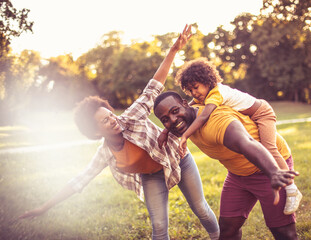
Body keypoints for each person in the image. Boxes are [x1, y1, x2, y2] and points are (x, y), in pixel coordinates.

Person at [18, 25, 220, 240]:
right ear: (96, 132)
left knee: (200, 208)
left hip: (178, 159)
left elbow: (154, 86)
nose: (114, 120)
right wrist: (44, 207)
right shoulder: (106, 152)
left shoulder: (130, 117)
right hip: (152, 177)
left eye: (111, 114)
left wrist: (173, 50)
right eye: (105, 121)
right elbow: (80, 180)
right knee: (159, 227)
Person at [158, 57, 301, 215]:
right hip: (249, 124)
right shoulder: (202, 97)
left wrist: (185, 136)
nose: (194, 93)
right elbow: (183, 107)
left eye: (196, 88)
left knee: (270, 148)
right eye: (190, 91)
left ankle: (292, 189)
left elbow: (203, 117)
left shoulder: (216, 94)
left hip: (263, 113)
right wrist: (165, 131)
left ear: (206, 80)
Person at [153, 91, 300, 239]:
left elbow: (247, 143)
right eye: (165, 119)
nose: (172, 120)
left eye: (175, 111)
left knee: (283, 233)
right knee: (228, 229)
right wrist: (166, 131)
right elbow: (175, 118)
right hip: (238, 174)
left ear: (185, 104)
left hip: (267, 167)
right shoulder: (190, 117)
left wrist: (274, 172)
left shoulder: (217, 122)